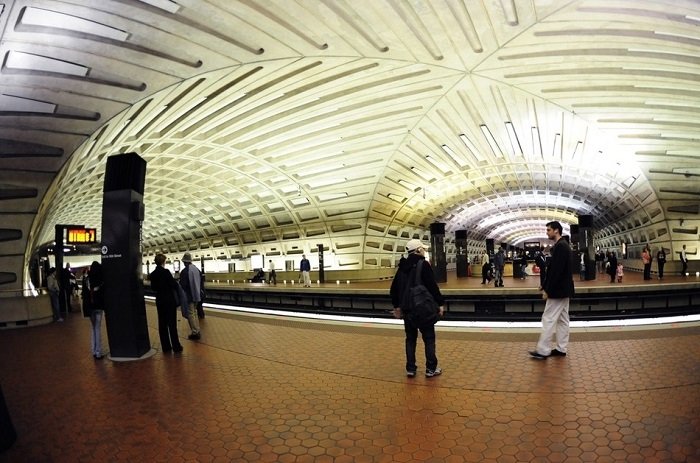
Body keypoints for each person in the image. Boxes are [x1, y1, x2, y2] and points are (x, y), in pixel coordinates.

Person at [390, 239, 444, 377]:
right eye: (423, 249)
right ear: (418, 250)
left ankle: (411, 369)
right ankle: (431, 369)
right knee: (429, 338)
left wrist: (397, 307)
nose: (424, 251)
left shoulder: (402, 267)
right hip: (423, 309)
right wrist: (440, 303)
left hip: (407, 310)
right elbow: (432, 286)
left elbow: (394, 289)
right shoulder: (423, 264)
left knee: (410, 339)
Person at [530, 221, 574, 359]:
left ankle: (543, 350)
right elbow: (554, 270)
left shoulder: (561, 247)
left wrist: (548, 290)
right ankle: (561, 348)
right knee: (563, 320)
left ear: (556, 231)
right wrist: (544, 284)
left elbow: (556, 271)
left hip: (558, 291)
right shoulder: (563, 246)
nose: (547, 232)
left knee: (548, 318)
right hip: (564, 289)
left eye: (549, 230)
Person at [149, 254, 184, 354]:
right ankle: (176, 346)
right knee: (172, 324)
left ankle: (166, 347)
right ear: (163, 262)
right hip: (169, 300)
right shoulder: (166, 272)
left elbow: (153, 288)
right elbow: (173, 284)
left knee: (162, 324)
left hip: (160, 300)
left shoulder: (153, 274)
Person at [179, 253, 202, 340]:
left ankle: (195, 332)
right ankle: (197, 329)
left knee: (190, 314)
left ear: (185, 262)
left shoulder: (185, 271)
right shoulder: (196, 269)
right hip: (197, 295)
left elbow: (182, 285)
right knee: (195, 313)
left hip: (189, 296)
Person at [88, 261, 105, 359]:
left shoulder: (88, 278)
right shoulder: (101, 280)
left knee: (93, 328)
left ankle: (93, 351)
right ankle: (98, 352)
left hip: (90, 307)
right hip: (98, 307)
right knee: (97, 328)